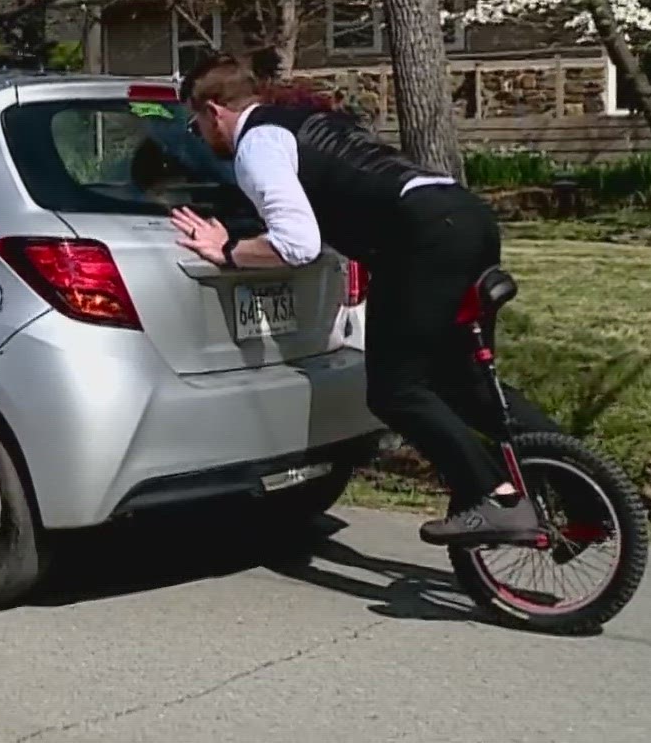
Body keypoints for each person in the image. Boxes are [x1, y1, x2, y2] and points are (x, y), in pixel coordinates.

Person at [169, 53, 561, 547]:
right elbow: (336, 195)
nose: (199, 136)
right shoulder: (306, 122)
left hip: (420, 237)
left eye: (194, 125)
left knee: (395, 390)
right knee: (463, 384)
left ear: (213, 110)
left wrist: (227, 251)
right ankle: (584, 491)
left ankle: (494, 498)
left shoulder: (256, 145)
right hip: (462, 215)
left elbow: (297, 242)